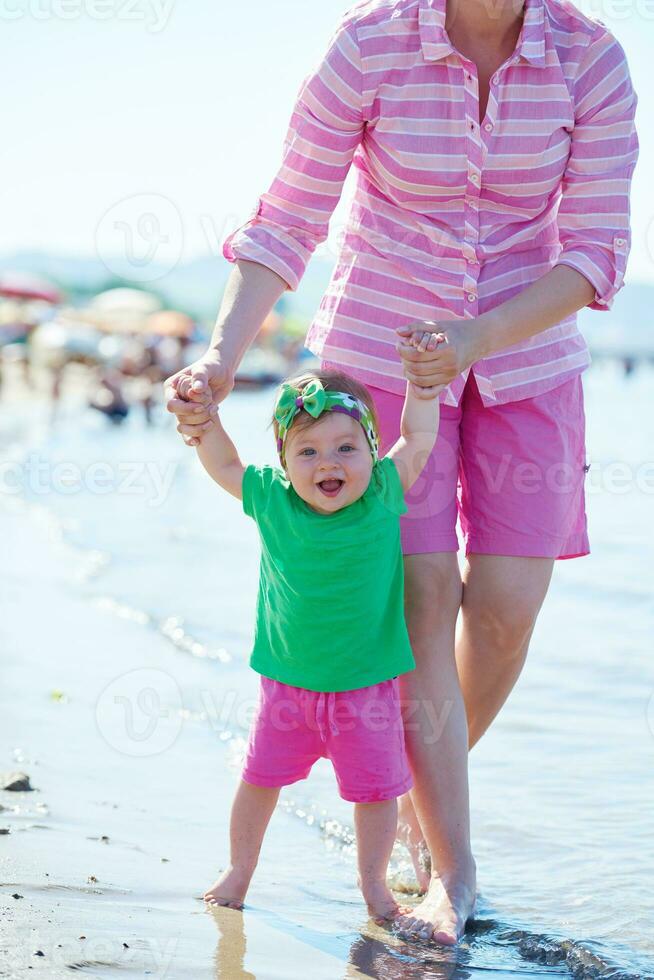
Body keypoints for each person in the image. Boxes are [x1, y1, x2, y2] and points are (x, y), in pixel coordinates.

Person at [165, 0, 639, 944]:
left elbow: (594, 251)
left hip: (528, 360)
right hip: (378, 365)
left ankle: (421, 795)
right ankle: (452, 874)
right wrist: (220, 356)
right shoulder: (370, 43)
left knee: (503, 613)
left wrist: (477, 337)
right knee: (423, 599)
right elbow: (288, 216)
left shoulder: (591, 57)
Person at [175, 357, 445, 923]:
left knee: (375, 793)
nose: (329, 463)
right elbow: (222, 460)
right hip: (286, 688)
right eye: (308, 451)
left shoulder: (383, 494)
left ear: (373, 450)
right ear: (284, 461)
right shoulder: (272, 499)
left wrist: (422, 388)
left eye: (347, 448)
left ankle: (373, 885)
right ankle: (240, 869)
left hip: (366, 689)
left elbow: (418, 436)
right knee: (258, 781)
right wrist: (204, 418)